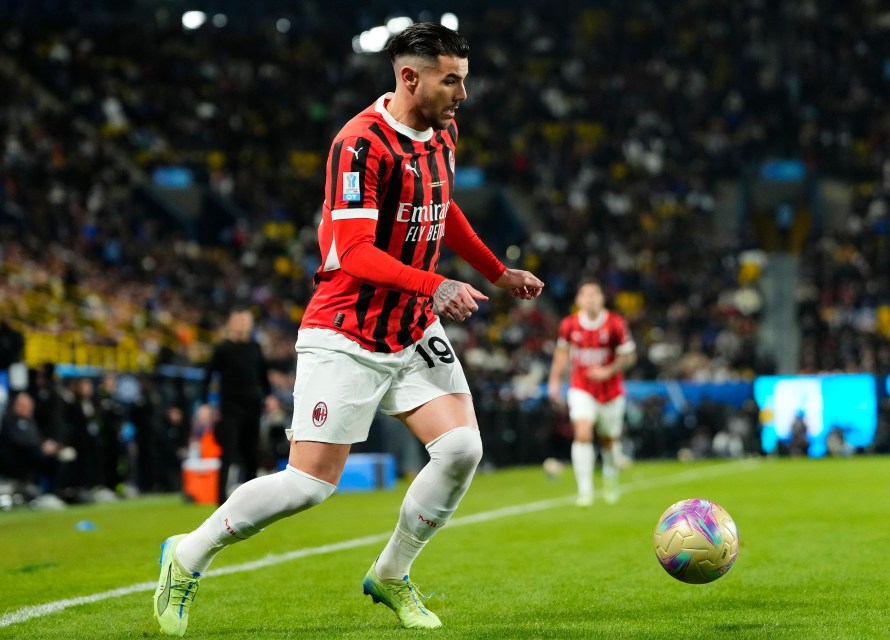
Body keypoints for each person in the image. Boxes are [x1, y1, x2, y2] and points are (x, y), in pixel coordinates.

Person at [152, 22, 543, 636]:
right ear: (409, 76)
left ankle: (390, 574)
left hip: (410, 329)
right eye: (452, 80)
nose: (463, 94)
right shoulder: (359, 145)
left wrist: (496, 271)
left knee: (464, 448)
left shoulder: (443, 133)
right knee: (308, 485)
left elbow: (441, 208)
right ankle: (187, 554)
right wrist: (434, 285)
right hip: (348, 330)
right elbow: (353, 251)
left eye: (464, 80)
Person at [547, 279, 636, 506]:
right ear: (578, 300)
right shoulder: (569, 325)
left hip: (611, 391)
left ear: (602, 299)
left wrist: (608, 370)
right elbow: (561, 353)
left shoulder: (616, 324)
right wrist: (555, 381)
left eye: (594, 294)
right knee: (583, 432)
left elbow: (629, 357)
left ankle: (609, 479)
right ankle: (584, 490)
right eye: (585, 295)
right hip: (582, 387)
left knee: (608, 440)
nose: (590, 299)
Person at [201, 309, 272, 503]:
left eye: (245, 321)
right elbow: (207, 377)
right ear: (231, 324)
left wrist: (269, 397)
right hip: (230, 408)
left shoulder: (255, 348)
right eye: (238, 321)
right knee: (228, 453)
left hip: (252, 407)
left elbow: (263, 378)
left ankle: (251, 500)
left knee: (251, 453)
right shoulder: (222, 348)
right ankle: (220, 499)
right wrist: (205, 403)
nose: (241, 324)